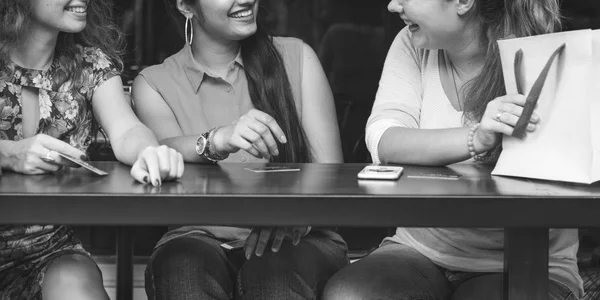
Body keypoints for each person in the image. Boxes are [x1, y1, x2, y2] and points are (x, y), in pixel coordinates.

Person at [323, 0, 582, 300]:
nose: (393, 5)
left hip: (528, 257)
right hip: (419, 249)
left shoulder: (540, 51)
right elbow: (384, 139)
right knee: (349, 294)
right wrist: (476, 137)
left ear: (463, 2)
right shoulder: (411, 42)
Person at [131, 0, 348, 299]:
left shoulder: (298, 57)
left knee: (273, 274)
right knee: (183, 268)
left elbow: (332, 178)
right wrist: (217, 139)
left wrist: (297, 216)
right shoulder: (154, 83)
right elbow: (162, 151)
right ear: (185, 5)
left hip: (302, 238)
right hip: (197, 237)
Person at [0, 0, 185, 299]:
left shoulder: (90, 66)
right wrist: (9, 152)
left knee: (74, 286)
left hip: (49, 250)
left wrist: (149, 151)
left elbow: (127, 129)